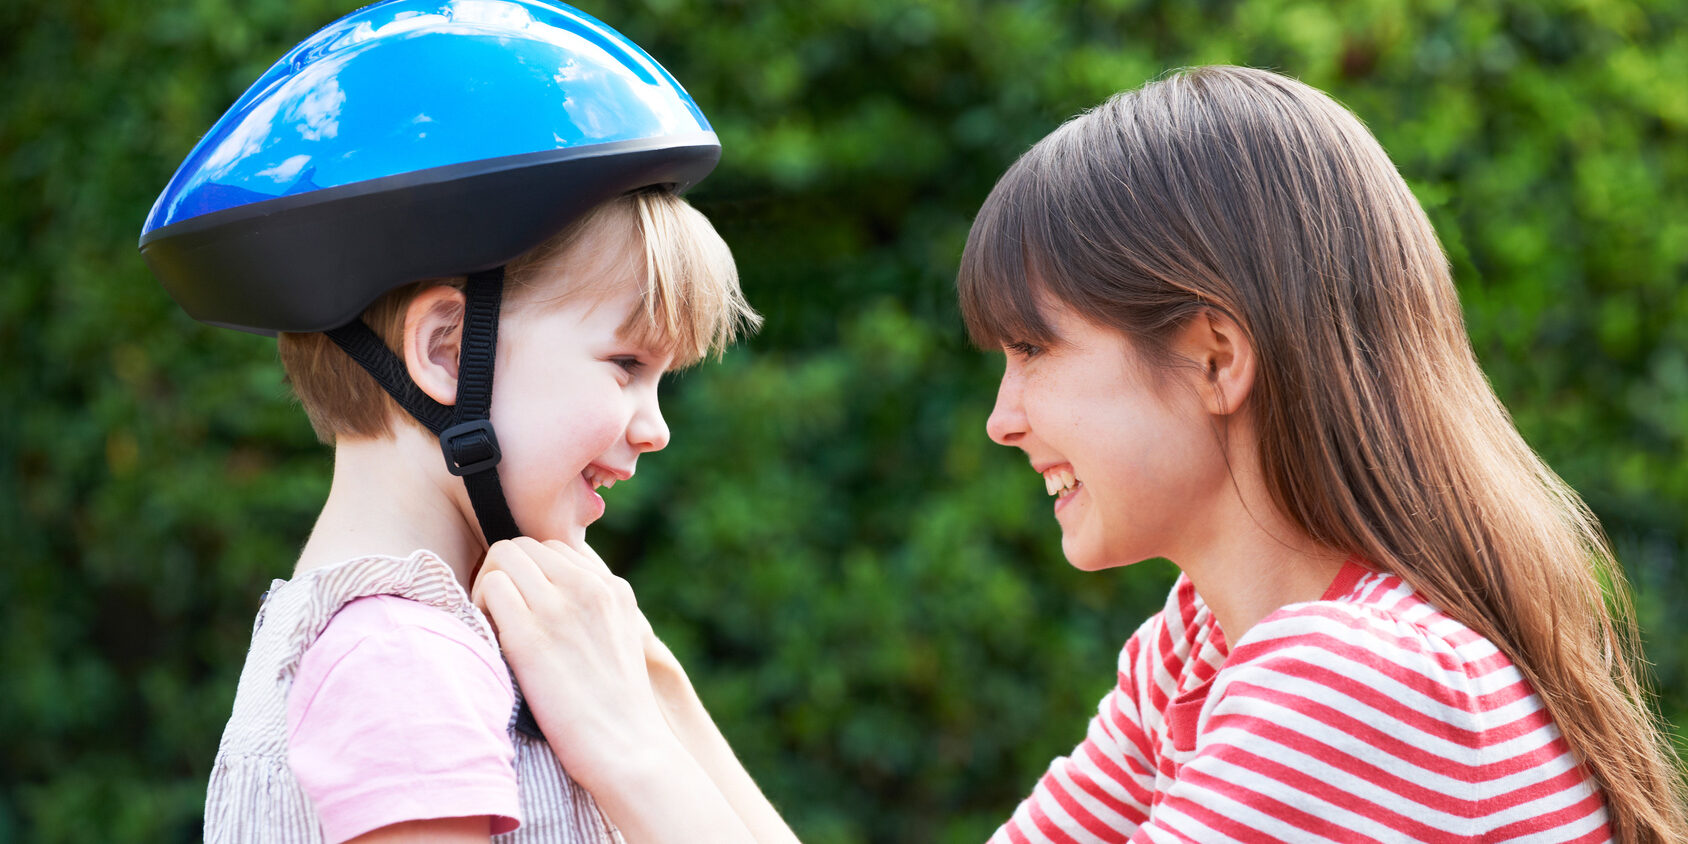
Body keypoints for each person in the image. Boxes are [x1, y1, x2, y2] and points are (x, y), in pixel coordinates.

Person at [473, 66, 1688, 842]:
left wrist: (623, 745)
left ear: (1216, 356)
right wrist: (653, 692)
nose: (1001, 418)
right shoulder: (1198, 649)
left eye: (1033, 351)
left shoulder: (1357, 681)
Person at [138, 1, 788, 841]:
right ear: (445, 351)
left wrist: (648, 687)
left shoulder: (463, 645)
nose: (654, 427)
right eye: (627, 366)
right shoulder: (403, 667)